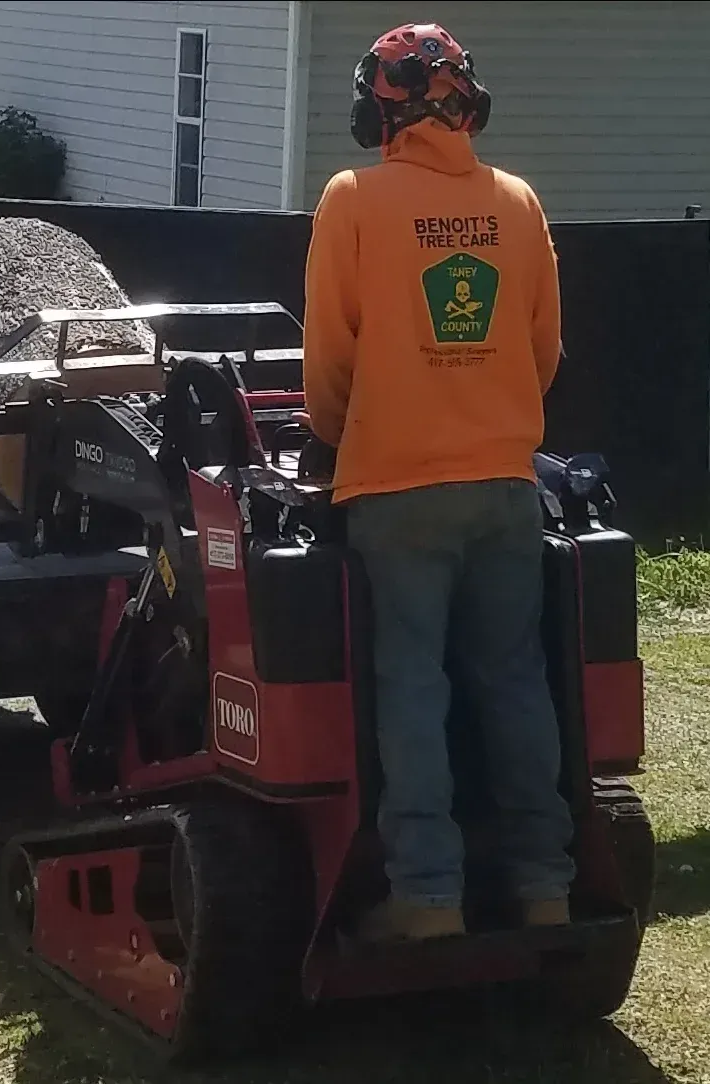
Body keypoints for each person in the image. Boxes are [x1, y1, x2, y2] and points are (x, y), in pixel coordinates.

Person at [300, 22, 575, 943]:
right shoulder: (520, 203)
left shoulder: (354, 201)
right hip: (505, 484)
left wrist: (345, 443)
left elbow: (329, 363)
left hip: (395, 488)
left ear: (386, 104)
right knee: (513, 679)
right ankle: (544, 884)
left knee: (411, 682)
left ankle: (425, 897)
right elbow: (543, 354)